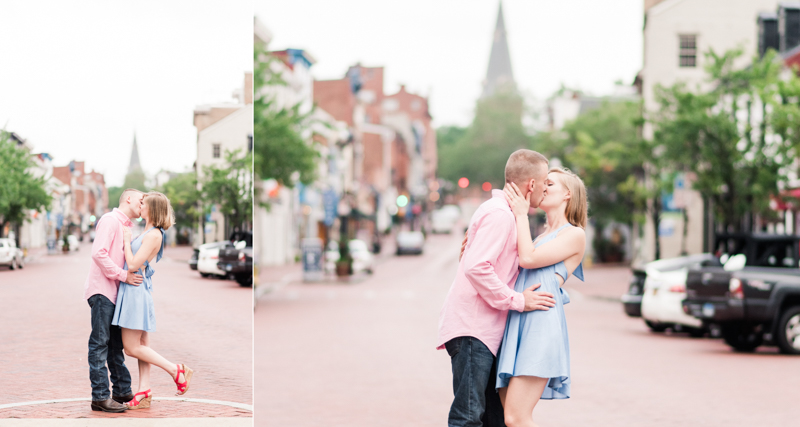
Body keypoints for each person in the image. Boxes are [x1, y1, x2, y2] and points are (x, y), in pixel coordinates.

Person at [437, 149, 557, 427]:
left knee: (495, 419)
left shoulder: (505, 214)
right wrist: (518, 301)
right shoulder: (500, 214)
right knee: (468, 417)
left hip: (484, 333)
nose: (545, 188)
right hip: (473, 330)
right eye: (544, 182)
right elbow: (477, 267)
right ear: (531, 185)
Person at [495, 168, 588, 427]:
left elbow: (528, 259)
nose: (542, 188)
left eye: (549, 183)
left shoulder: (574, 234)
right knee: (509, 415)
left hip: (541, 324)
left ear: (568, 194)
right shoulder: (539, 237)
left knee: (516, 418)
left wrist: (521, 214)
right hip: (519, 321)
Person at [111, 191, 194, 409]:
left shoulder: (154, 234)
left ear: (153, 209)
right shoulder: (147, 232)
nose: (140, 205)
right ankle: (144, 390)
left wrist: (127, 242)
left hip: (136, 292)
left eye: (144, 203)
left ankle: (176, 370)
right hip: (135, 290)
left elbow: (133, 265)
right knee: (141, 344)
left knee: (130, 347)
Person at [85, 189, 145, 413]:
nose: (143, 205)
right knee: (100, 344)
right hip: (102, 291)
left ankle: (121, 390)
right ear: (128, 199)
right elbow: (98, 253)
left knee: (115, 346)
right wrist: (124, 276)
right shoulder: (110, 220)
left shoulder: (127, 226)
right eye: (141, 200)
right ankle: (100, 396)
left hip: (115, 293)